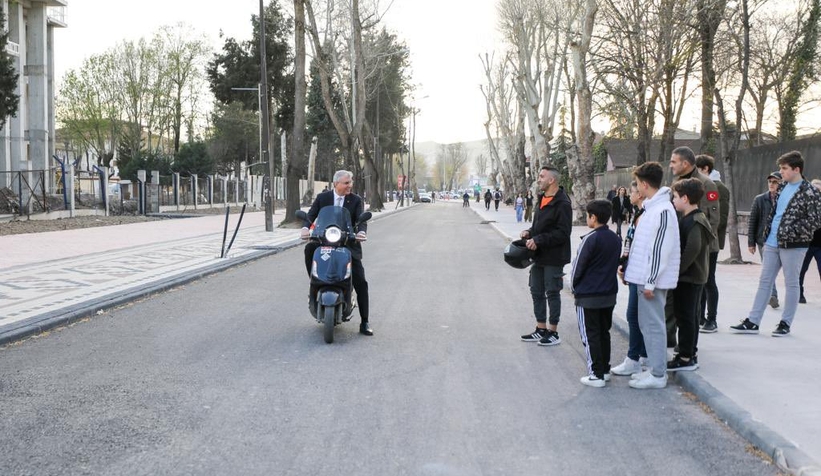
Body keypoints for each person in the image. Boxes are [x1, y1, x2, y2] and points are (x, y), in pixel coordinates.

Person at [731, 151, 821, 337]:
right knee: (765, 281)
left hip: (794, 244)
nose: (781, 171)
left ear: (796, 169)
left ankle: (785, 323)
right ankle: (753, 322)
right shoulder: (782, 187)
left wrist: (791, 230)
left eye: (784, 168)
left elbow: (815, 220)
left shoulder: (810, 191)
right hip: (772, 242)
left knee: (792, 283)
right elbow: (775, 213)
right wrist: (767, 234)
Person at [624, 162, 680, 389]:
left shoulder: (663, 211)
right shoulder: (653, 209)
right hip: (644, 278)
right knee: (647, 325)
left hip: (651, 281)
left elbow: (659, 250)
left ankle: (658, 375)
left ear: (645, 184)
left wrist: (650, 281)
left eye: (638, 184)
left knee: (654, 326)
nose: (637, 188)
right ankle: (654, 369)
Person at [300, 170, 373, 336]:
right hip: (324, 240)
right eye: (346, 183)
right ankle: (315, 279)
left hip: (348, 242)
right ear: (336, 184)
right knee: (310, 248)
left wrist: (361, 232)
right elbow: (311, 215)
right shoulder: (323, 198)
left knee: (361, 281)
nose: (350, 185)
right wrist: (305, 228)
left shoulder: (355, 200)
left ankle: (365, 321)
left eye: (350, 182)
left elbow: (360, 219)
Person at [667, 146, 720, 347]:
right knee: (677, 298)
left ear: (685, 163)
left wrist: (700, 242)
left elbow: (713, 219)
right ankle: (673, 338)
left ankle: (691, 342)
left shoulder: (707, 184)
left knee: (698, 293)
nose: (671, 165)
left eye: (674, 161)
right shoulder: (676, 183)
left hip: (700, 246)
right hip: (679, 244)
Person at [519, 166, 573, 346]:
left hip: (554, 257)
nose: (538, 179)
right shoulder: (541, 198)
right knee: (536, 291)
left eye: (542, 176)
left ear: (552, 180)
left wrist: (538, 239)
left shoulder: (563, 203)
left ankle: (553, 332)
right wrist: (529, 232)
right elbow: (539, 227)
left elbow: (563, 233)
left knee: (552, 292)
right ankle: (540, 329)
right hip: (538, 255)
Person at [572, 199, 621, 388]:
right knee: (603, 332)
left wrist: (574, 288)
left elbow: (578, 267)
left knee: (590, 335)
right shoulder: (615, 238)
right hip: (608, 293)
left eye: (587, 215)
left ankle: (596, 374)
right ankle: (605, 370)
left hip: (588, 295)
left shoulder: (590, 239)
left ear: (593, 217)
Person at [669, 178, 714, 371]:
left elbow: (693, 248)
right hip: (689, 276)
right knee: (689, 316)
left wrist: (677, 270)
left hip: (690, 277)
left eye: (675, 197)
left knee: (686, 317)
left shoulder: (695, 220)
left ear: (685, 198)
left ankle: (686, 357)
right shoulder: (689, 218)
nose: (673, 200)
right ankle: (688, 353)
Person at [611, 181, 648, 376]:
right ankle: (642, 354)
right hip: (633, 269)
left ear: (640, 193)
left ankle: (635, 357)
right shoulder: (637, 213)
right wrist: (623, 263)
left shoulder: (646, 215)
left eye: (632, 191)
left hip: (641, 273)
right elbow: (629, 243)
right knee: (635, 315)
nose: (629, 194)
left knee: (634, 315)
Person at [694, 155, 730, 333]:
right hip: (697, 240)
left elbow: (719, 217)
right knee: (699, 279)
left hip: (710, 241)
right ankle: (699, 316)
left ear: (705, 169)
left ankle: (711, 318)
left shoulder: (717, 187)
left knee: (709, 280)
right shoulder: (697, 185)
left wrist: (707, 236)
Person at [748, 171, 782, 309]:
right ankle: (773, 295)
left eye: (775, 182)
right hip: (764, 241)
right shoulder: (760, 199)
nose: (771, 184)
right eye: (770, 182)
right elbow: (753, 221)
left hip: (782, 240)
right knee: (769, 268)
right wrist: (751, 242)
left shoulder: (785, 199)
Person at [799, 179, 821, 303]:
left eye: (819, 190)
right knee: (801, 270)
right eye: (814, 189)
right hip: (805, 245)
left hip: (820, 246)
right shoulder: (803, 204)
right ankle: (799, 294)